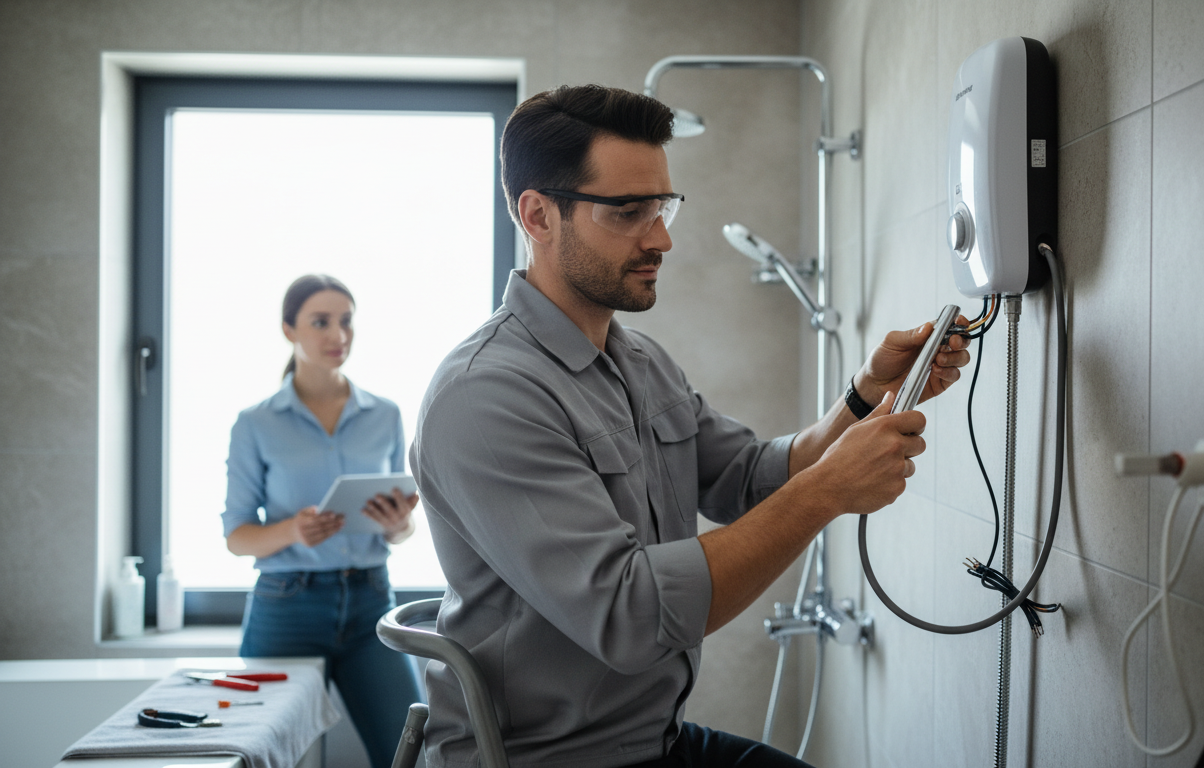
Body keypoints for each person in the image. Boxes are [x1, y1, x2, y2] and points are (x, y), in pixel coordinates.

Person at [410, 85, 970, 768]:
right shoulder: (486, 397)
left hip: (655, 742)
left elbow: (752, 478)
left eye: (663, 205)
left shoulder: (639, 360)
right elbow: (631, 617)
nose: (661, 236)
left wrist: (867, 394)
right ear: (538, 215)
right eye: (628, 211)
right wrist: (827, 492)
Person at [222, 274, 424, 768]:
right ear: (289, 329)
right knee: (259, 755)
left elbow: (402, 530)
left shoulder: (386, 414)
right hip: (286, 609)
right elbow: (237, 537)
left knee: (413, 753)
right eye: (321, 322)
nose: (339, 335)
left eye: (347, 322)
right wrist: (293, 530)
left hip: (369, 604)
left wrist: (397, 523)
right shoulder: (256, 423)